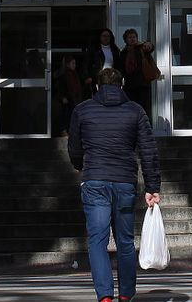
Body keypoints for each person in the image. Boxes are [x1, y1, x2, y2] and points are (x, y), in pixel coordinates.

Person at [67, 67, 161, 302]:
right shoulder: (135, 111)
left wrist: (79, 164)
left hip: (95, 180)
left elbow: (74, 146)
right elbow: (148, 151)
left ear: (97, 86)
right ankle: (126, 295)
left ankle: (105, 296)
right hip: (124, 182)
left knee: (97, 241)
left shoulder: (83, 110)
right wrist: (152, 186)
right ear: (123, 85)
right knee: (125, 241)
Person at [119, 29, 161, 113]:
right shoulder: (123, 53)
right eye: (130, 37)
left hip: (143, 84)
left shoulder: (141, 48)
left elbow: (150, 47)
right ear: (125, 40)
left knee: (144, 109)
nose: (132, 39)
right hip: (130, 86)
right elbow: (122, 69)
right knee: (132, 109)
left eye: (134, 37)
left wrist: (149, 45)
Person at [82, 28, 122, 99]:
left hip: (112, 79)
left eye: (108, 36)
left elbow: (119, 65)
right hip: (98, 78)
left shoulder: (115, 49)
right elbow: (86, 63)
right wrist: (87, 76)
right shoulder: (94, 49)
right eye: (103, 36)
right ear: (100, 37)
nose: (106, 38)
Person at [54, 54, 85, 137]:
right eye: (73, 63)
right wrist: (63, 97)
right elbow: (60, 87)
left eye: (75, 63)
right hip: (67, 99)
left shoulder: (74, 74)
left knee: (71, 116)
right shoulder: (63, 74)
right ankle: (64, 131)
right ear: (67, 64)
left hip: (73, 99)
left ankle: (70, 132)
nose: (75, 65)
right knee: (65, 115)